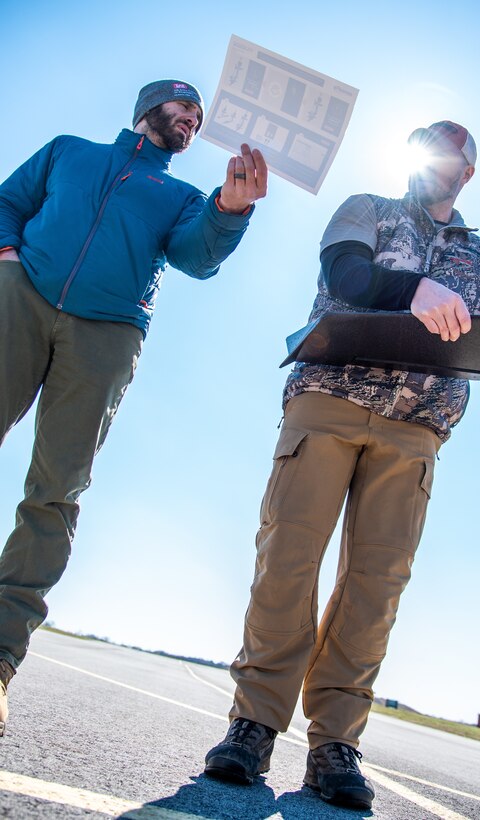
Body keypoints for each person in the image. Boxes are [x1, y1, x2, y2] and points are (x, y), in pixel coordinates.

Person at [204, 121, 480, 810]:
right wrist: (416, 288)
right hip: (328, 398)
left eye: (452, 148)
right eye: (427, 140)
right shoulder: (366, 207)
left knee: (376, 585)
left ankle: (335, 743)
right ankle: (254, 725)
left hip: (417, 429)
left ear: (468, 172)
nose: (437, 154)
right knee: (288, 559)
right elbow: (347, 274)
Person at [0, 79, 267, 737]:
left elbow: (196, 256)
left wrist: (230, 209)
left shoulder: (182, 197)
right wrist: (7, 259)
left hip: (108, 333)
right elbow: (9, 200)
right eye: (183, 107)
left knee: (55, 493)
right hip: (21, 298)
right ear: (149, 109)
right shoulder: (69, 151)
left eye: (199, 118)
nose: (192, 120)